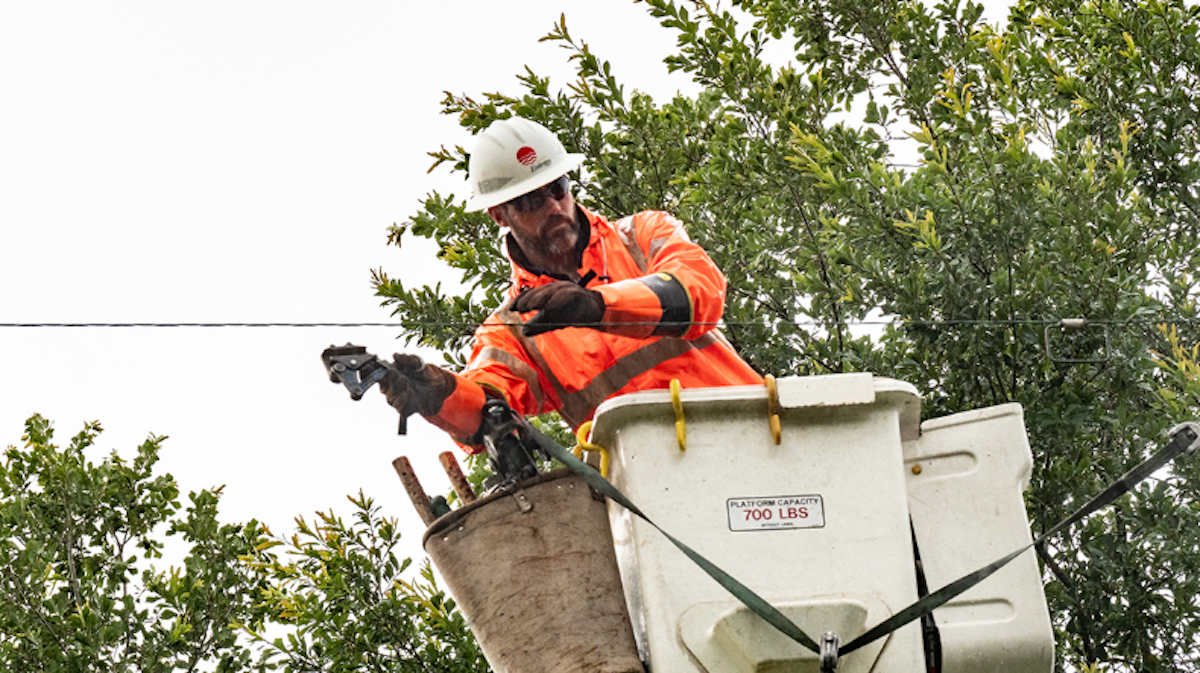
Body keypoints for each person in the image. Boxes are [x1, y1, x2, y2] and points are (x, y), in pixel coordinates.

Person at [381, 116, 763, 451]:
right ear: (499, 214)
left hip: (754, 434)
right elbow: (486, 410)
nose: (553, 206)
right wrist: (438, 394)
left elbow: (700, 290)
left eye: (557, 187)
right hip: (648, 490)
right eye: (531, 200)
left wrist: (598, 305)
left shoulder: (642, 236)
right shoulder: (515, 329)